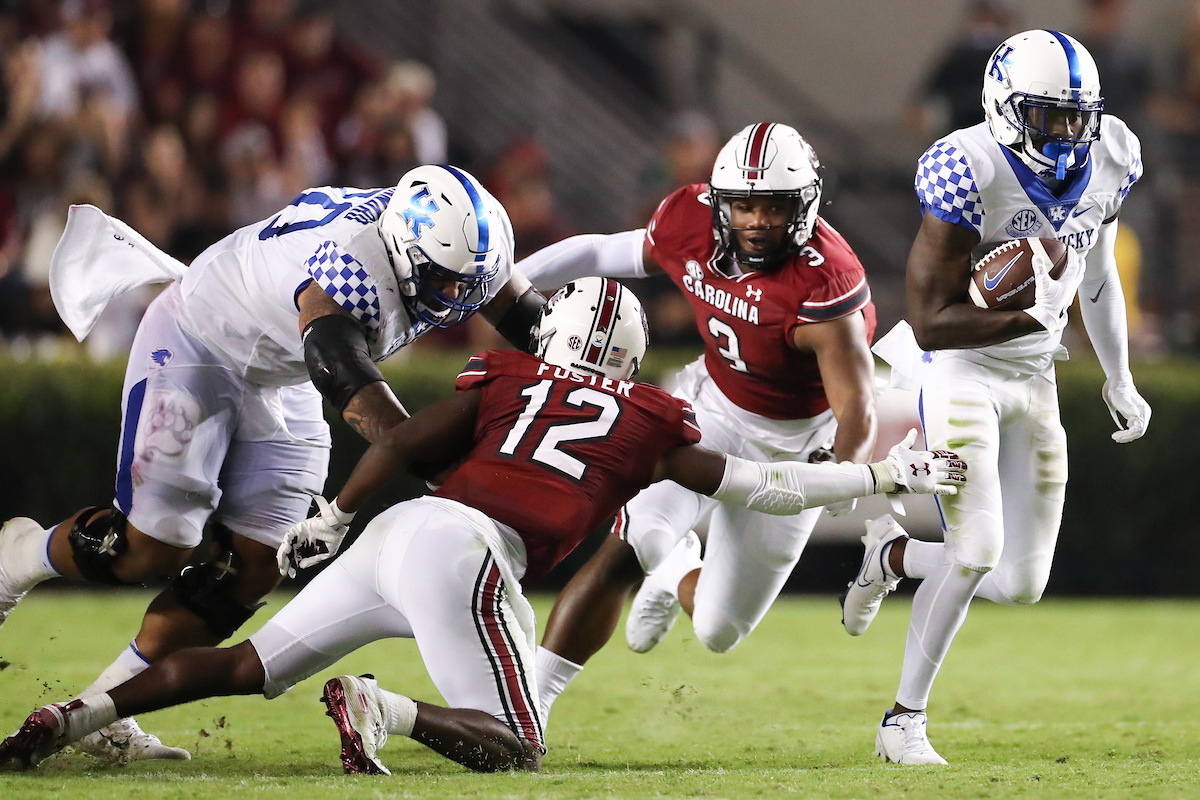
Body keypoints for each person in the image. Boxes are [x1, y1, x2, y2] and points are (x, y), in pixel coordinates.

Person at [0, 277, 966, 774]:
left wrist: (335, 519)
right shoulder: (650, 417)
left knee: (250, 666)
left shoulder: (505, 375)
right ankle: (382, 708)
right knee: (517, 743)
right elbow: (763, 486)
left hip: (405, 528)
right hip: (470, 555)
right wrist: (882, 471)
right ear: (629, 357)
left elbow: (406, 439)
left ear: (546, 339)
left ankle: (78, 714)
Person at [0, 164, 547, 763]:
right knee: (151, 550)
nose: (459, 300)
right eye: (445, 284)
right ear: (404, 250)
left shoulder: (455, 238)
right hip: (199, 341)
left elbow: (528, 317)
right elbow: (348, 381)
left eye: (470, 283)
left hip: (277, 369)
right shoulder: (351, 263)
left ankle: (102, 711)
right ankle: (21, 555)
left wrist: (589, 368)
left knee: (254, 566)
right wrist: (456, 478)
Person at [845, 30, 1152, 765]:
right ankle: (902, 723)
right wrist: (1029, 313)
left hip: (1035, 372)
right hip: (960, 367)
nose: (1071, 135)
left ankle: (891, 557)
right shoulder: (966, 165)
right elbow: (928, 319)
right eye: (1051, 117)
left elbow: (1101, 274)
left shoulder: (1113, 152)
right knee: (977, 548)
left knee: (1019, 583)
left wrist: (1119, 375)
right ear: (1006, 106)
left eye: (1079, 116)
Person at [515, 122, 880, 727]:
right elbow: (601, 252)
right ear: (718, 201)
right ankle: (526, 707)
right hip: (708, 405)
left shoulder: (824, 280)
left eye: (775, 207)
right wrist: (506, 284)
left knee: (716, 630)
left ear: (806, 205)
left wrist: (839, 473)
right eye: (745, 205)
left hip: (793, 443)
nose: (758, 220)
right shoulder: (689, 221)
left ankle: (674, 571)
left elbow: (858, 411)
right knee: (630, 539)